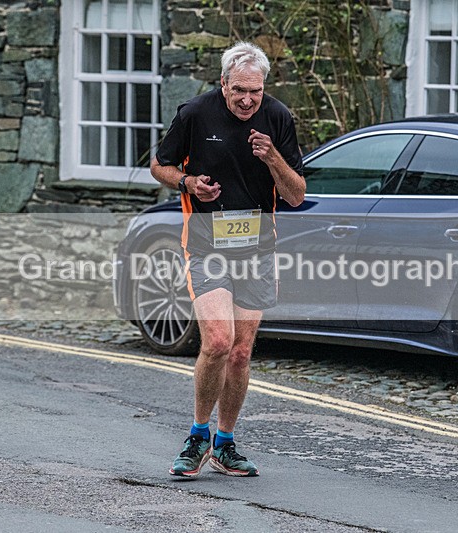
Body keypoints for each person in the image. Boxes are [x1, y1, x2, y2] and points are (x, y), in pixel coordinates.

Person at [150, 41, 306, 477]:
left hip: (257, 249)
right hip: (206, 244)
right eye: (238, 89)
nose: (246, 100)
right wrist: (187, 183)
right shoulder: (196, 114)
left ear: (264, 88)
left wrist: (272, 156)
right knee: (217, 341)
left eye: (254, 91)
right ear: (223, 83)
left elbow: (295, 194)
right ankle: (197, 435)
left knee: (240, 353)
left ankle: (226, 443)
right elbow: (159, 166)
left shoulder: (277, 118)